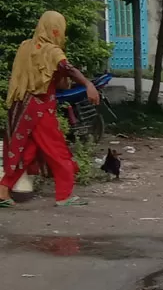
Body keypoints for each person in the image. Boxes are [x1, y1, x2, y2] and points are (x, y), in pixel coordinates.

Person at [0, 11, 99, 209]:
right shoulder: (51, 51)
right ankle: (64, 195)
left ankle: (2, 191)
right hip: (39, 108)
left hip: (20, 106)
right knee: (57, 150)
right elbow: (67, 68)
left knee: (25, 151)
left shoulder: (26, 46)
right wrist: (89, 84)